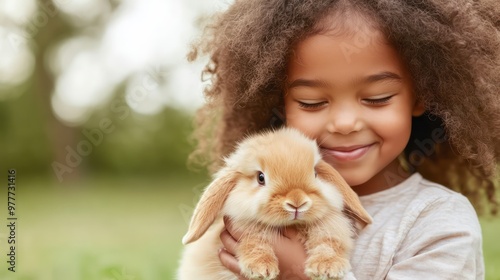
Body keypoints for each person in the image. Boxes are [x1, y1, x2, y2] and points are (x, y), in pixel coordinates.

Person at [187, 0, 500, 279]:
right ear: (281, 105)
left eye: (377, 98)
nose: (345, 124)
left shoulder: (439, 221)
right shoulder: (251, 205)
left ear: (420, 96)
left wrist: (299, 274)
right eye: (311, 102)